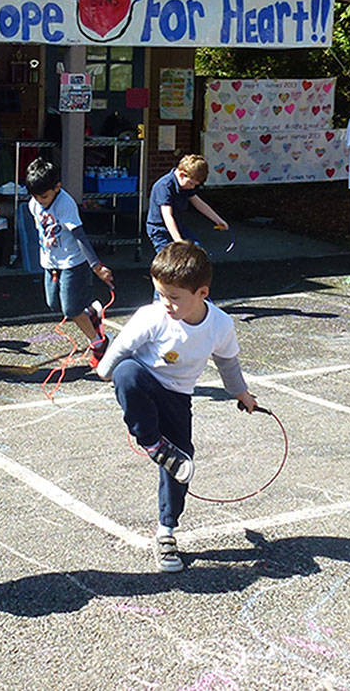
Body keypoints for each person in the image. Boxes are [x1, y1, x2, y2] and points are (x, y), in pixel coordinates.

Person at [95, 242, 258, 573]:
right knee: (126, 371)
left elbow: (228, 364)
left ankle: (167, 529)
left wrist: (242, 394)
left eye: (173, 297)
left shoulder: (220, 325)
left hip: (179, 396)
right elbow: (123, 346)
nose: (165, 303)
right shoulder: (153, 316)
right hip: (144, 383)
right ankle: (152, 441)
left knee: (180, 462)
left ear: (202, 293)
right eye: (160, 294)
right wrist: (104, 370)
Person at [25, 158, 115, 366]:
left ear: (57, 187)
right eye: (35, 197)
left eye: (44, 196)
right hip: (50, 262)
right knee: (53, 303)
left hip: (73, 262)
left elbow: (80, 237)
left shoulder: (65, 204)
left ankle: (99, 343)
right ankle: (91, 311)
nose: (40, 201)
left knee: (71, 310)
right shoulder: (34, 204)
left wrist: (97, 267)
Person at [145, 154, 229, 254]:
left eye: (195, 185)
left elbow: (199, 204)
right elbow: (168, 216)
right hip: (160, 230)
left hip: (179, 225)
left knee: (195, 251)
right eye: (191, 183)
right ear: (181, 175)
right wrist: (178, 240)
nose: (192, 187)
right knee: (171, 259)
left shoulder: (185, 185)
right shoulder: (164, 186)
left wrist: (218, 220)